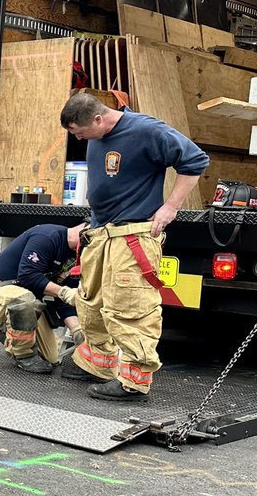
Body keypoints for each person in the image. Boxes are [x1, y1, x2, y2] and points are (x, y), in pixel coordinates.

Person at [59, 92, 209, 402]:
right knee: (93, 302)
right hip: (102, 234)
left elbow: (195, 161)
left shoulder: (146, 130)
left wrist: (171, 206)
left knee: (131, 307)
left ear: (98, 119)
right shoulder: (97, 133)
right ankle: (98, 363)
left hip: (133, 236)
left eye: (79, 132)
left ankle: (133, 380)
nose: (78, 138)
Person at [0, 223, 86, 373]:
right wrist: (64, 292)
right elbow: (28, 276)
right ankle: (24, 355)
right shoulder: (46, 236)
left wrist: (76, 329)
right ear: (85, 232)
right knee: (24, 300)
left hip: (28, 302)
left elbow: (65, 302)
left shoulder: (75, 257)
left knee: (51, 357)